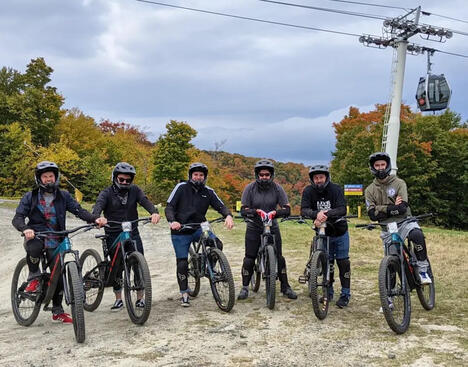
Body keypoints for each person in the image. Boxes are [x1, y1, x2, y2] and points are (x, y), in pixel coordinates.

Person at [12, 161, 106, 324]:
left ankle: (57, 310)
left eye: (51, 176)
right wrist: (25, 228)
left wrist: (94, 219)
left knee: (61, 271)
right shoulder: (31, 196)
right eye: (45, 176)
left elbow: (78, 210)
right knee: (34, 248)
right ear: (39, 179)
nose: (48, 179)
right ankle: (33, 277)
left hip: (58, 236)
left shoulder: (64, 196)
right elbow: (18, 217)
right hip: (38, 235)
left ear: (56, 177)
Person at [92, 162, 161, 311]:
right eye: (121, 179)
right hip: (113, 232)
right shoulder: (106, 192)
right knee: (117, 266)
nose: (124, 182)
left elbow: (145, 201)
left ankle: (140, 298)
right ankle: (118, 299)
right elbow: (98, 206)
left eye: (127, 180)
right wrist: (97, 218)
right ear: (115, 178)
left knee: (138, 264)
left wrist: (154, 212)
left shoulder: (135, 190)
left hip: (132, 232)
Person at [165, 162, 234, 307]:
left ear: (205, 177)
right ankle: (184, 293)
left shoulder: (208, 191)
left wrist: (228, 215)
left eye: (201, 175)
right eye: (195, 174)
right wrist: (172, 221)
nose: (198, 177)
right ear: (190, 176)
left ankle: (209, 266)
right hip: (180, 230)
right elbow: (169, 206)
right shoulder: (181, 187)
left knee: (217, 244)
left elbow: (220, 205)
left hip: (199, 228)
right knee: (182, 262)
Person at [365, 152, 432, 284]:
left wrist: (380, 208)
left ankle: (423, 270)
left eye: (383, 165)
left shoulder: (399, 183)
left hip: (405, 221)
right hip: (387, 227)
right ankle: (389, 297)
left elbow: (402, 208)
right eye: (377, 165)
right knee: (391, 261)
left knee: (417, 235)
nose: (380, 168)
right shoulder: (369, 190)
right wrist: (391, 208)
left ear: (388, 166)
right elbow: (372, 215)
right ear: (372, 168)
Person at [238, 159, 297, 301]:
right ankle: (245, 287)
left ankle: (285, 286)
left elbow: (287, 208)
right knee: (249, 258)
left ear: (271, 175)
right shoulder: (249, 188)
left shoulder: (277, 188)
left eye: (267, 174)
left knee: (279, 257)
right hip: (254, 226)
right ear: (257, 175)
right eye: (261, 174)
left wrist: (275, 213)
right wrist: (255, 211)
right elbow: (243, 209)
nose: (264, 177)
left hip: (272, 226)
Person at [300, 165, 351, 308]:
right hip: (323, 234)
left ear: (326, 178)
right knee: (326, 263)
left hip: (339, 231)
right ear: (312, 179)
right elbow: (303, 210)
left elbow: (342, 209)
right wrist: (316, 214)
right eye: (315, 178)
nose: (318, 180)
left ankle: (345, 294)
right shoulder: (308, 191)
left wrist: (325, 215)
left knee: (343, 263)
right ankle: (328, 291)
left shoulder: (336, 190)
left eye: (321, 177)